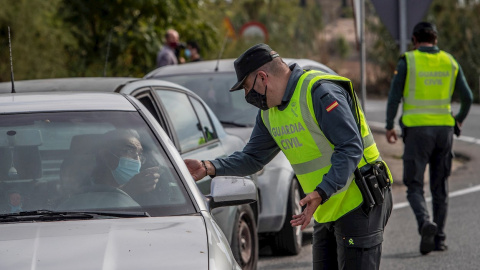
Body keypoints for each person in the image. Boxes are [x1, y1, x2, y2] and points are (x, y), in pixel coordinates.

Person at [184, 43, 393, 269]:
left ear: (263, 78)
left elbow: (351, 146)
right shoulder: (269, 114)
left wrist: (322, 191)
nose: (247, 95)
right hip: (325, 206)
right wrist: (208, 167)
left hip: (360, 200)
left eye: (246, 87)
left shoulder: (319, 92)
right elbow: (252, 158)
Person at [385, 22, 473, 255]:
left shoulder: (408, 60)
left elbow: (394, 97)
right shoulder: (450, 61)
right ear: (436, 39)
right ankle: (440, 239)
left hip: (416, 133)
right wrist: (458, 120)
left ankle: (425, 223)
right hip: (444, 132)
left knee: (414, 185)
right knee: (439, 187)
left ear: (414, 39)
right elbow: (468, 96)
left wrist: (389, 126)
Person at [92, 129, 160, 200]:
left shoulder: (144, 194)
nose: (137, 160)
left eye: (140, 154)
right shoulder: (84, 190)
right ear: (105, 156)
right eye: (129, 151)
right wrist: (126, 192)